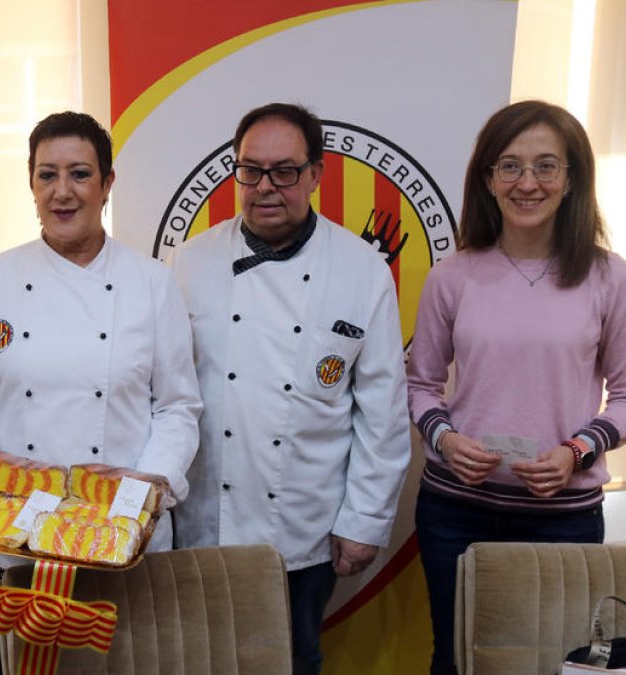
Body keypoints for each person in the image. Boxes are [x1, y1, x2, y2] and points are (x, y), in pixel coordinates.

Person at [407, 100, 626, 675]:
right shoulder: (453, 275)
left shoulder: (609, 278)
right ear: (487, 179)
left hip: (563, 518)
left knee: (553, 663)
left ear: (571, 180)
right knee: (458, 658)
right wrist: (445, 439)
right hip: (454, 513)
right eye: (510, 166)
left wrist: (577, 450)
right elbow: (420, 385)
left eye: (547, 166)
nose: (527, 182)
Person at [168, 102, 410, 675]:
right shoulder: (189, 263)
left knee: (293, 659)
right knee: (200, 658)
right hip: (207, 517)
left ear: (316, 175)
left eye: (285, 171)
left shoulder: (360, 270)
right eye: (250, 170)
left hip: (303, 524)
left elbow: (382, 413)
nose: (265, 187)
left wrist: (364, 521)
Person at [0, 111, 202, 572]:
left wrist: (148, 484)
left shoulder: (152, 283)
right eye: (48, 176)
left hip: (121, 528)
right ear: (32, 186)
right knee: (27, 647)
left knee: (132, 647)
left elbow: (176, 406)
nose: (62, 191)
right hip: (14, 530)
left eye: (80, 174)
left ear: (107, 184)